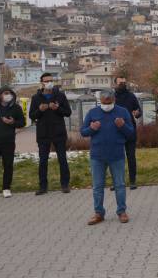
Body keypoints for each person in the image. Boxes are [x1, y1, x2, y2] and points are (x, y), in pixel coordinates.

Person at [81, 89, 134, 225]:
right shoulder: (93, 113)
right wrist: (91, 128)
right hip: (97, 156)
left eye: (109, 102)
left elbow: (131, 133)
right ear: (100, 101)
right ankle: (99, 213)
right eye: (104, 103)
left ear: (114, 100)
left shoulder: (122, 112)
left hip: (117, 155)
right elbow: (83, 132)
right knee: (98, 186)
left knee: (120, 185)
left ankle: (121, 211)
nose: (106, 105)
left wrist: (122, 126)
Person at [29, 73, 72, 195]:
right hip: (43, 134)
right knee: (43, 161)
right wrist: (40, 110)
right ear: (41, 82)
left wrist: (57, 108)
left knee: (62, 159)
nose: (49, 82)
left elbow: (68, 112)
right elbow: (31, 115)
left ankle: (65, 185)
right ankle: (43, 187)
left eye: (50, 80)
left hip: (59, 133)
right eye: (46, 81)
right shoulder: (36, 97)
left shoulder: (60, 95)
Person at [0, 87, 25, 198]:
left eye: (9, 93)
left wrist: (12, 122)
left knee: (8, 165)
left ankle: (6, 188)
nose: (8, 95)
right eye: (5, 93)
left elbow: (22, 123)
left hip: (8, 141)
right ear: (0, 95)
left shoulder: (16, 108)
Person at [114, 76, 142, 189]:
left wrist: (137, 114)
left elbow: (138, 111)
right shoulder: (112, 97)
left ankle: (132, 181)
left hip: (130, 130)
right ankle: (117, 182)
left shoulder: (131, 96)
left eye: (124, 83)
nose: (123, 85)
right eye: (120, 83)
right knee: (116, 158)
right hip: (115, 131)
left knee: (131, 156)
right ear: (115, 84)